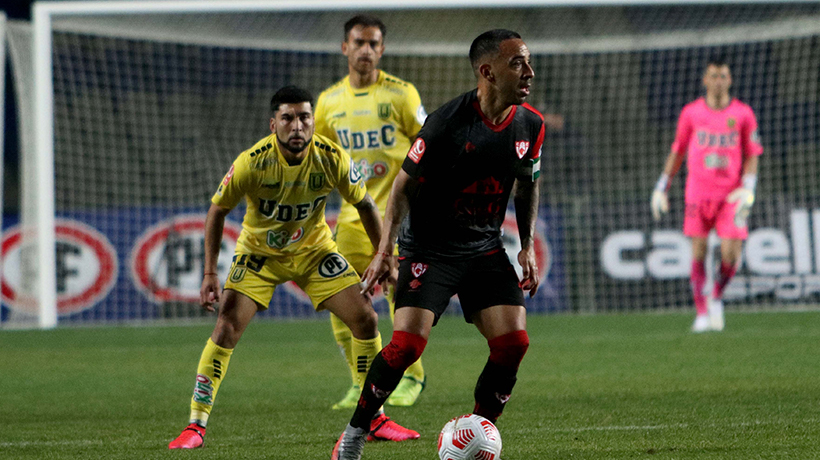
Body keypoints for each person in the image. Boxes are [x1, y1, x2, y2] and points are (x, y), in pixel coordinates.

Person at [331, 29, 544, 460]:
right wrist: (386, 250)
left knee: (513, 344)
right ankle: (354, 434)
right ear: (487, 71)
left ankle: (478, 434)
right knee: (408, 345)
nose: (529, 72)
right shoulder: (447, 124)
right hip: (430, 247)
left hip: (484, 246)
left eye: (528, 62)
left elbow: (526, 185)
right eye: (517, 63)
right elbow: (401, 189)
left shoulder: (530, 125)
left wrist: (526, 245)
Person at [168, 86, 418, 449]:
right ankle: (195, 426)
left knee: (365, 319)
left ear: (313, 122)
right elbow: (217, 211)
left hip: (315, 252)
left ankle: (375, 418)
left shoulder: (332, 157)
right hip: (260, 255)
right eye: (288, 118)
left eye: (304, 117)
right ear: (274, 124)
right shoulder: (252, 162)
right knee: (226, 327)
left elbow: (365, 204)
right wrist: (209, 273)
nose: (297, 126)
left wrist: (387, 256)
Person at [314, 15, 428, 409]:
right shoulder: (328, 102)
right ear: (345, 47)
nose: (366, 50)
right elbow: (321, 161)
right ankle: (359, 382)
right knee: (339, 297)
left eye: (373, 43)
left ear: (382, 49)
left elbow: (426, 145)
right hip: (352, 218)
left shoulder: (401, 94)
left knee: (404, 297)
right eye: (359, 42)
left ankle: (410, 377)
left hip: (400, 216)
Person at [651, 59, 763, 333]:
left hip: (731, 196)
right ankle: (702, 312)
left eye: (723, 76)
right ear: (704, 79)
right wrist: (661, 186)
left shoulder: (743, 114)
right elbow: (678, 151)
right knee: (698, 252)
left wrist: (749, 188)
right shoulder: (691, 114)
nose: (718, 81)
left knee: (730, 255)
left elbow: (752, 154)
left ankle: (716, 296)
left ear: (730, 80)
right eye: (713, 76)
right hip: (698, 194)